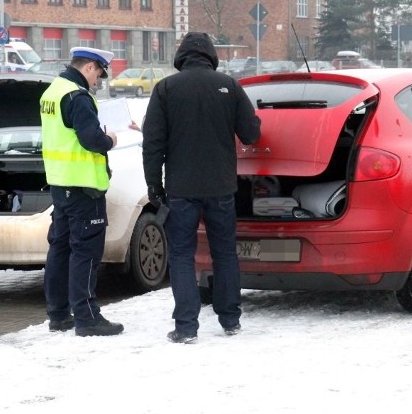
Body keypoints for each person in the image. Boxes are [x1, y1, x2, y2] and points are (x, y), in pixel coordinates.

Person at [142, 32, 261, 344]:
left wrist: (154, 184)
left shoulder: (165, 89)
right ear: (211, 56)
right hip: (221, 187)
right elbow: (250, 134)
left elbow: (152, 143)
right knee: (225, 253)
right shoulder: (230, 87)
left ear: (181, 57)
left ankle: (186, 327)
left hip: (181, 189)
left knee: (182, 255)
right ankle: (230, 319)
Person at [39, 46, 124, 337]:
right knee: (85, 252)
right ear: (89, 67)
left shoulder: (52, 92)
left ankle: (59, 314)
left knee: (60, 249)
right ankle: (87, 318)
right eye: (98, 73)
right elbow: (91, 141)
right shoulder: (78, 97)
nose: (98, 80)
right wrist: (110, 138)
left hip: (60, 184)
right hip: (84, 187)